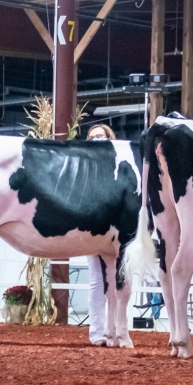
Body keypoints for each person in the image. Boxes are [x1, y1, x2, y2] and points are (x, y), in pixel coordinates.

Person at [83, 122, 119, 345]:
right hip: (93, 228)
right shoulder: (84, 167)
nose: (97, 140)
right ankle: (97, 333)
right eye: (93, 137)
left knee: (117, 281)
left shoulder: (119, 165)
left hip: (116, 229)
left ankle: (114, 329)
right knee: (97, 280)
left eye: (101, 136)